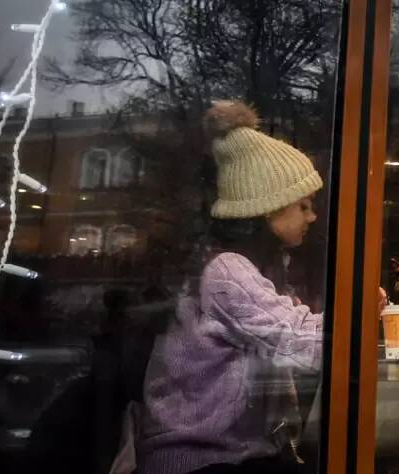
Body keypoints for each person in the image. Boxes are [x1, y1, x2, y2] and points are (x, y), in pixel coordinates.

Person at [136, 100, 330, 474]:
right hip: (201, 462)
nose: (312, 216)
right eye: (303, 206)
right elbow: (300, 343)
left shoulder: (245, 266)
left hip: (231, 454)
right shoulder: (227, 272)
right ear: (269, 207)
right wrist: (359, 311)